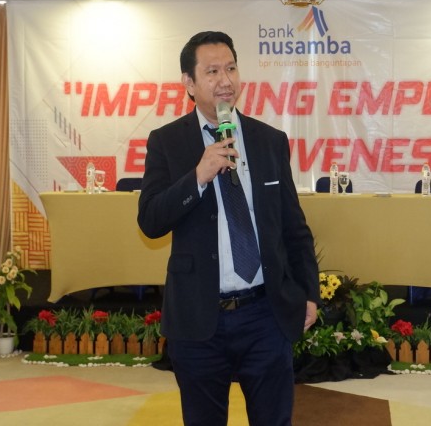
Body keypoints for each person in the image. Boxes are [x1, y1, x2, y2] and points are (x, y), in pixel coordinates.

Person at [137, 31, 320, 426]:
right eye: (212, 71)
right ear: (189, 83)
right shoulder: (166, 143)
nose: (225, 80)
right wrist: (198, 177)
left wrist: (309, 293)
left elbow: (294, 227)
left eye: (231, 68)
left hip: (265, 314)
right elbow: (150, 220)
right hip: (199, 320)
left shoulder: (269, 141)